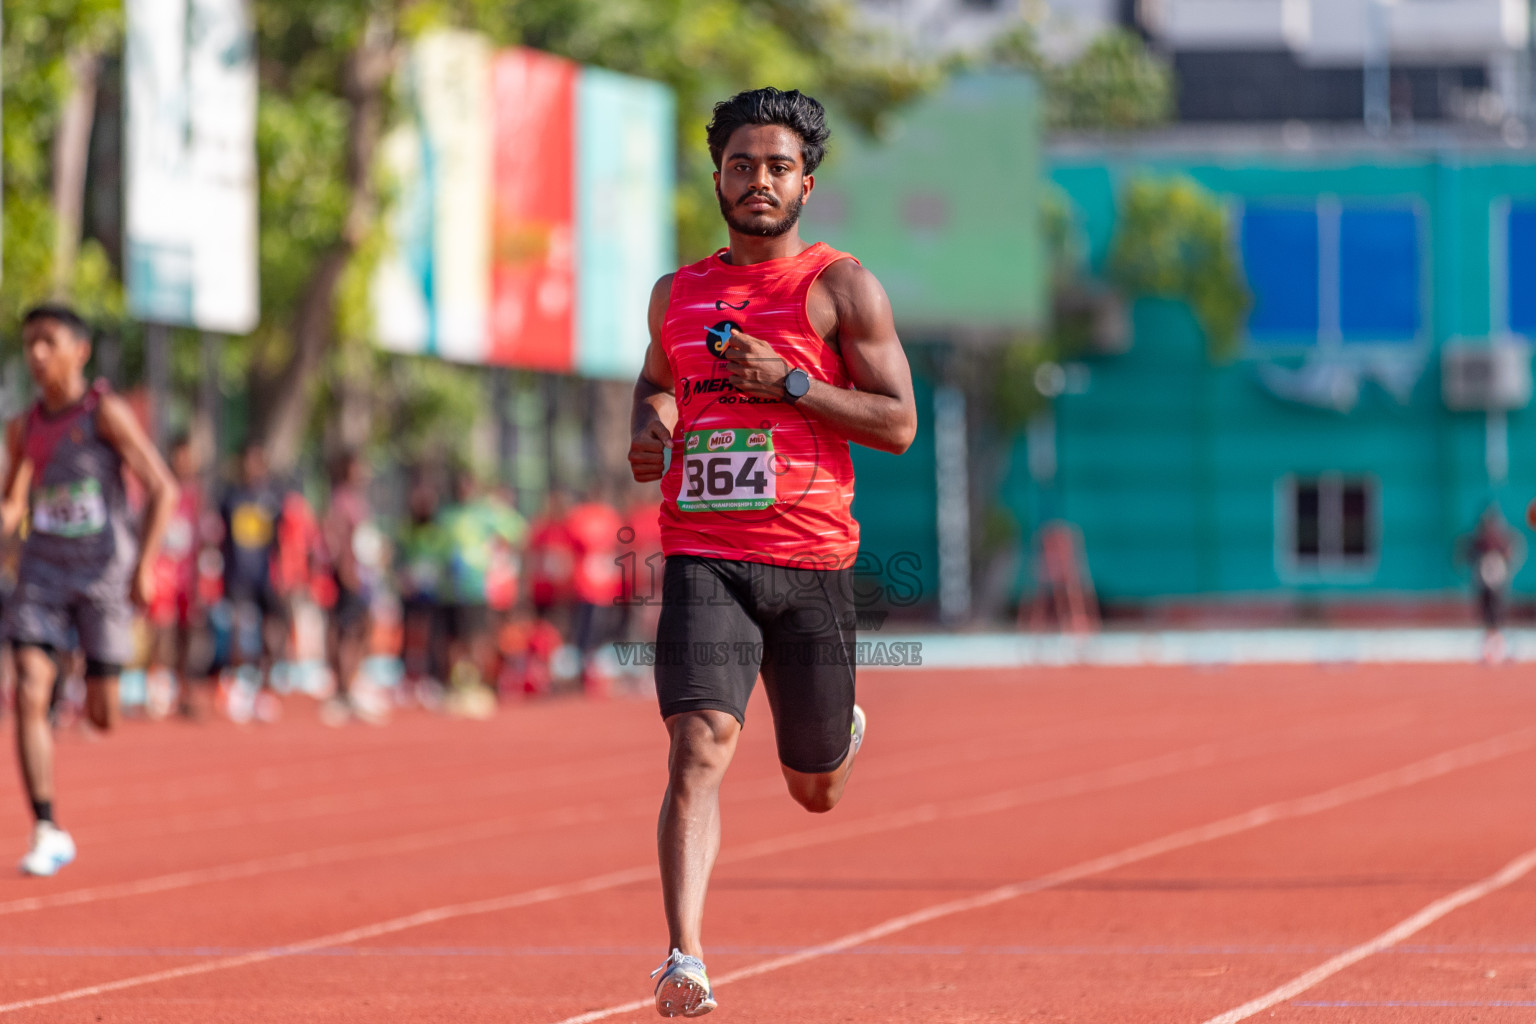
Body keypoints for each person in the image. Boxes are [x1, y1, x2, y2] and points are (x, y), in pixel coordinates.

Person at [627, 88, 917, 1016]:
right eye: (742, 164)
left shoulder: (841, 287)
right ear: (717, 176)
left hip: (813, 564)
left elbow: (899, 423)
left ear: (807, 183)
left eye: (778, 166)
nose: (759, 180)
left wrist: (793, 383)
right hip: (703, 555)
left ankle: (838, 737)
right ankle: (685, 959)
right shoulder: (677, 294)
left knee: (814, 787)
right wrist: (652, 424)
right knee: (697, 747)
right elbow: (655, 381)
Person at [2, 304, 178, 876]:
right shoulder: (23, 427)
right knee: (28, 688)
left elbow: (162, 488)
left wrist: (144, 566)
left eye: (48, 342)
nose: (36, 354)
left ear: (79, 350)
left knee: (103, 716)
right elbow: (14, 499)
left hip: (103, 576)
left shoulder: (106, 414)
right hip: (43, 574)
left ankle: (73, 678)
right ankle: (47, 827)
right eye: (30, 343)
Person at [217, 441, 289, 721]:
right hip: (237, 577)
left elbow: (282, 539)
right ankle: (237, 688)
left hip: (266, 576)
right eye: (247, 461)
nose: (251, 467)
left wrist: (282, 572)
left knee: (271, 631)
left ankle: (265, 689)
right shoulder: (230, 497)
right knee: (238, 630)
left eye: (256, 461)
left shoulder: (273, 496)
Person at [148, 435, 212, 718]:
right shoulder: (160, 486)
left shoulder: (198, 493)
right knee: (162, 629)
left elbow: (203, 533)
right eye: (181, 455)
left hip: (188, 572)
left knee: (189, 631)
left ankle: (185, 688)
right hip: (163, 570)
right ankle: (159, 687)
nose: (186, 461)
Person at [321, 450, 386, 724]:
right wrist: (345, 571)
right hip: (349, 577)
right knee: (348, 629)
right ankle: (343, 689)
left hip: (362, 575)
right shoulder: (341, 500)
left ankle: (349, 685)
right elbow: (334, 536)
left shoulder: (357, 500)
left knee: (362, 626)